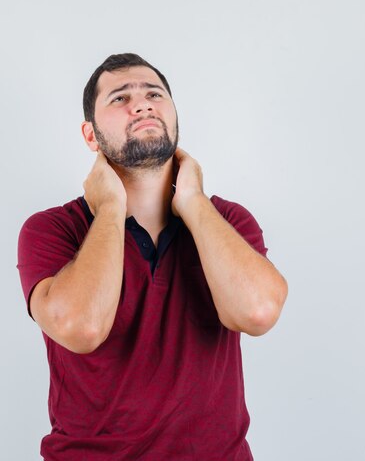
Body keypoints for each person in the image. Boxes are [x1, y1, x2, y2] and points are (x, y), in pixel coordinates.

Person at [17, 53, 288, 461]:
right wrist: (110, 209)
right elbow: (81, 327)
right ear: (90, 136)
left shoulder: (228, 221)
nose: (141, 104)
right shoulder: (52, 229)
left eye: (154, 94)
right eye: (120, 98)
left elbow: (258, 312)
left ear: (174, 118)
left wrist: (194, 202)